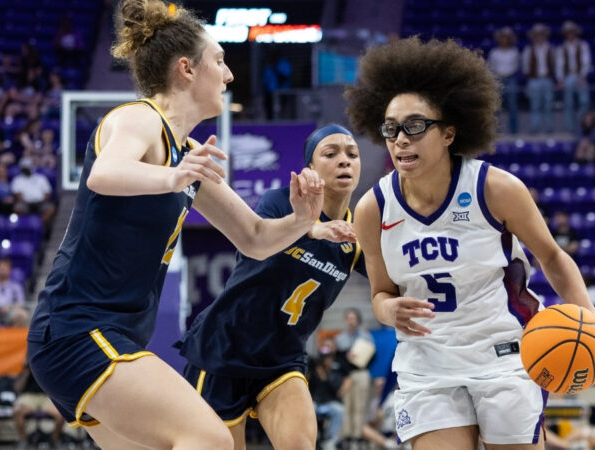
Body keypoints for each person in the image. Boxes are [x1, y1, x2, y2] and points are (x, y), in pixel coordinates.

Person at [26, 1, 326, 448]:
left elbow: (256, 238)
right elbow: (104, 175)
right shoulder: (140, 117)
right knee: (211, 440)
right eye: (220, 62)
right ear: (186, 69)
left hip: (104, 336)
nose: (229, 76)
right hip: (79, 330)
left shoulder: (184, 153)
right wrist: (176, 176)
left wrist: (302, 220)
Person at [344, 37, 595, 449]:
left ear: (448, 133)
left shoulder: (495, 189)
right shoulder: (373, 208)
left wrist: (588, 317)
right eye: (391, 129)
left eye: (415, 126)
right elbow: (379, 293)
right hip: (427, 365)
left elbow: (552, 256)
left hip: (504, 356)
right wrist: (389, 309)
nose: (400, 140)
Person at [177, 123, 366, 450]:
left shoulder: (357, 236)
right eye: (331, 153)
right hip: (225, 348)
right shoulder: (281, 201)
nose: (344, 161)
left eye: (352, 154)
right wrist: (313, 228)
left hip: (282, 358)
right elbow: (259, 237)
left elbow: (391, 278)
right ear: (310, 168)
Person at [335, 308, 374, 445]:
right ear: (346, 320)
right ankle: (347, 435)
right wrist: (346, 357)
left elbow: (372, 356)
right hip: (347, 375)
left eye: (354, 318)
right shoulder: (340, 338)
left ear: (358, 320)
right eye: (349, 318)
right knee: (347, 405)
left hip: (361, 373)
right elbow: (337, 360)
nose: (351, 321)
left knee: (360, 405)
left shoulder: (366, 336)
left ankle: (358, 435)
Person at [13, 362, 65, 448]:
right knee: (18, 412)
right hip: (29, 396)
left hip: (46, 396)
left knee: (61, 413)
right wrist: (27, 372)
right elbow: (17, 388)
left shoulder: (48, 365)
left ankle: (55, 439)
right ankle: (24, 441)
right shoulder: (25, 369)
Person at [309, 338, 348, 450]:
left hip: (329, 404)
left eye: (328, 357)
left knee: (339, 410)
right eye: (324, 358)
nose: (326, 360)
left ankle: (330, 438)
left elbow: (336, 390)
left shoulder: (335, 370)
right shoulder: (315, 369)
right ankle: (311, 437)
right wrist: (315, 372)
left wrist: (325, 377)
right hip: (316, 403)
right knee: (308, 408)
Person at [555, 21, 591, 134]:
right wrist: (560, 79)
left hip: (580, 76)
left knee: (585, 101)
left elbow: (587, 62)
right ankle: (570, 128)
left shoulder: (583, 45)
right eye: (568, 32)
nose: (570, 34)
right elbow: (559, 65)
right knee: (568, 104)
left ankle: (581, 123)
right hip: (568, 77)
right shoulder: (561, 48)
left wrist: (582, 75)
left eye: (572, 32)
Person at [522, 23, 555, 134]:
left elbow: (555, 63)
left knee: (548, 105)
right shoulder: (529, 50)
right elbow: (525, 66)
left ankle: (549, 128)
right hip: (534, 80)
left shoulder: (550, 48)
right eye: (537, 35)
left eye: (541, 35)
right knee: (535, 106)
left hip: (547, 79)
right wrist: (531, 75)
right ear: (534, 36)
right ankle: (534, 128)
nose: (539, 37)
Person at [488, 27, 519, 134]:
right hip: (498, 79)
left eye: (506, 38)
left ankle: (514, 130)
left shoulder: (514, 52)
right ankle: (495, 131)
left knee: (512, 106)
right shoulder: (494, 52)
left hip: (510, 79)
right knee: (496, 107)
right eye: (502, 38)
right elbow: (491, 67)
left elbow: (516, 66)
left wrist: (507, 74)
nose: (504, 40)